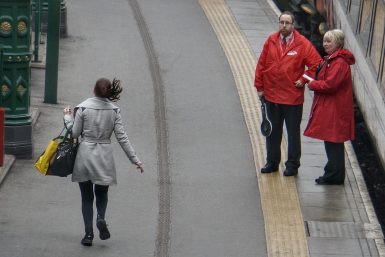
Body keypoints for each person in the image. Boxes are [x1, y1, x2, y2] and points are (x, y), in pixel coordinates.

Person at [63, 78, 144, 246]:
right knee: (101, 193)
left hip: (85, 155)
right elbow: (122, 138)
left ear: (94, 90)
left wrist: (67, 117)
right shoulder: (114, 111)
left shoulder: (83, 107)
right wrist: (135, 159)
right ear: (109, 92)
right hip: (104, 156)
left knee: (86, 197)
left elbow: (75, 133)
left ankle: (88, 235)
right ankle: (101, 217)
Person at [254, 11, 322, 176]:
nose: (283, 26)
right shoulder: (271, 40)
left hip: (292, 99)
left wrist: (304, 79)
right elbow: (261, 64)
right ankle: (272, 162)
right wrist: (259, 87)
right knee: (272, 131)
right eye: (281, 22)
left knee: (292, 133)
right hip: (271, 96)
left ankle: (292, 165)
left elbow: (316, 63)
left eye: (287, 23)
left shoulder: (302, 44)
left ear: (293, 25)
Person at [303, 29, 355, 185]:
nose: (324, 44)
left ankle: (334, 175)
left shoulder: (338, 63)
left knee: (333, 143)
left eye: (328, 41)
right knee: (332, 142)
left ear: (338, 43)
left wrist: (313, 84)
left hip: (335, 110)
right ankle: (333, 173)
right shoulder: (334, 59)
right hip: (333, 108)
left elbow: (331, 85)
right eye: (324, 40)